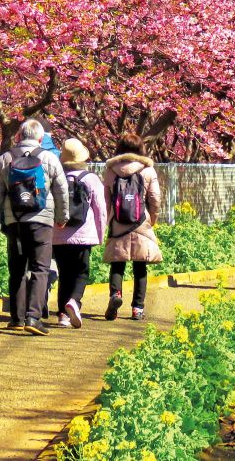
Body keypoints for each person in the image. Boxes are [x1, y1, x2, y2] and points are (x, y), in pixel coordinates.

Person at [0, 119, 69, 336]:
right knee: (40, 268)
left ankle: (16, 318)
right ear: (41, 138)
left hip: (14, 220)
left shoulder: (5, 158)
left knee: (17, 269)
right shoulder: (49, 158)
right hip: (41, 221)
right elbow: (61, 190)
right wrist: (62, 217)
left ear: (18, 136)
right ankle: (33, 317)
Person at [102, 134, 163, 321]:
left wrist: (108, 221)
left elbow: (105, 200)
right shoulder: (147, 170)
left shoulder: (111, 171)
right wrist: (153, 218)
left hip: (118, 222)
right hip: (141, 221)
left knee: (117, 263)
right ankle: (137, 308)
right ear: (140, 148)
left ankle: (115, 295)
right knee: (140, 265)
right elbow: (155, 198)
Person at [52, 138, 107, 328]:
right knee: (81, 272)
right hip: (83, 235)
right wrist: (100, 234)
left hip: (58, 235)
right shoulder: (90, 178)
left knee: (64, 274)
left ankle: (62, 315)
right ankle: (74, 301)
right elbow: (101, 209)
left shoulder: (56, 178)